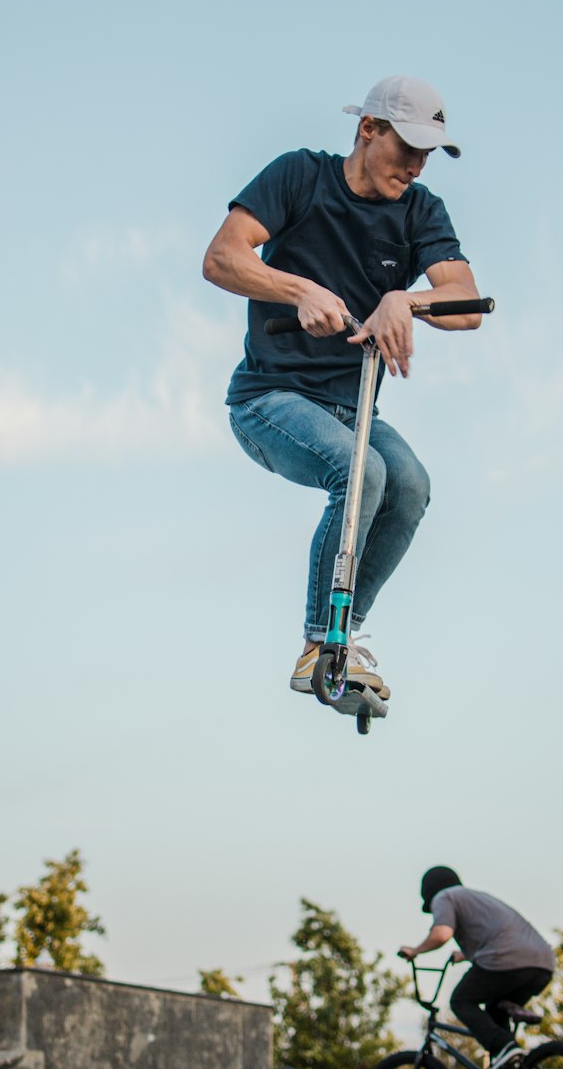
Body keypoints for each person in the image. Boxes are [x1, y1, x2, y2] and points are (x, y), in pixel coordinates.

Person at [203, 75, 482, 698]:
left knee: (409, 485)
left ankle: (341, 639)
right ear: (367, 129)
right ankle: (317, 644)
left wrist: (405, 302)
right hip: (269, 399)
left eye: (427, 153)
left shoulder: (419, 211)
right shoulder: (300, 176)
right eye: (405, 147)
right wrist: (298, 289)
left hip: (351, 409)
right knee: (363, 475)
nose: (415, 165)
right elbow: (223, 257)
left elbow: (465, 303)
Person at [399, 866, 556, 1069]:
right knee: (494, 1010)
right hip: (542, 964)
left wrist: (415, 950)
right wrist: (464, 955)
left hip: (507, 960)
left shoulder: (444, 896)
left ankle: (505, 1047)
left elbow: (442, 933)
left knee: (461, 1000)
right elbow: (496, 932)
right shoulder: (476, 898)